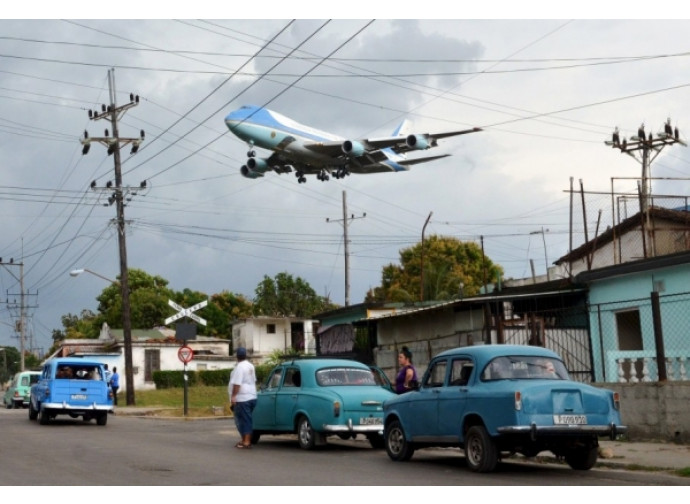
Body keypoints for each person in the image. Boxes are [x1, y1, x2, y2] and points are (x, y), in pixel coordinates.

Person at [228, 347, 257, 449]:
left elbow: (237, 384)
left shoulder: (240, 367)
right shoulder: (250, 366)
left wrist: (234, 396)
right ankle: (244, 439)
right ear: (245, 355)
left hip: (243, 398)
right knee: (244, 419)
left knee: (244, 420)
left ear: (237, 356)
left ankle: (247, 441)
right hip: (252, 396)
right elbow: (254, 380)